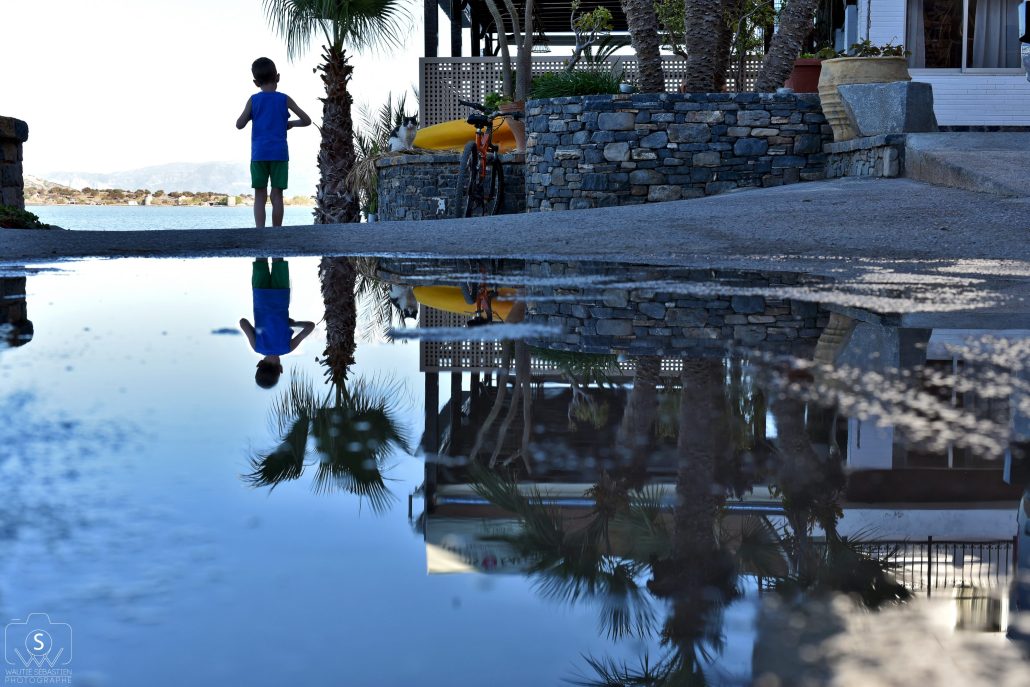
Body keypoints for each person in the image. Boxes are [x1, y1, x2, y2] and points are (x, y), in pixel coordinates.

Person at [236, 57, 311, 228]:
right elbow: (307, 120)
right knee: (277, 195)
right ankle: (277, 232)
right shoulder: (284, 99)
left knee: (260, 195)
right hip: (279, 154)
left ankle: (260, 231)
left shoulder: (253, 100)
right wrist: (291, 124)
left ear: (256, 82)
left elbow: (239, 125)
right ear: (278, 77)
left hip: (259, 155)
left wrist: (251, 115)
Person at [239, 258, 315, 388]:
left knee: (278, 258)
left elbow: (310, 326)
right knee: (261, 260)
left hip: (281, 296)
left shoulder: (287, 348)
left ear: (280, 369)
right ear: (259, 365)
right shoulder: (257, 347)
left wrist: (292, 323)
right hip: (260, 295)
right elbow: (243, 322)